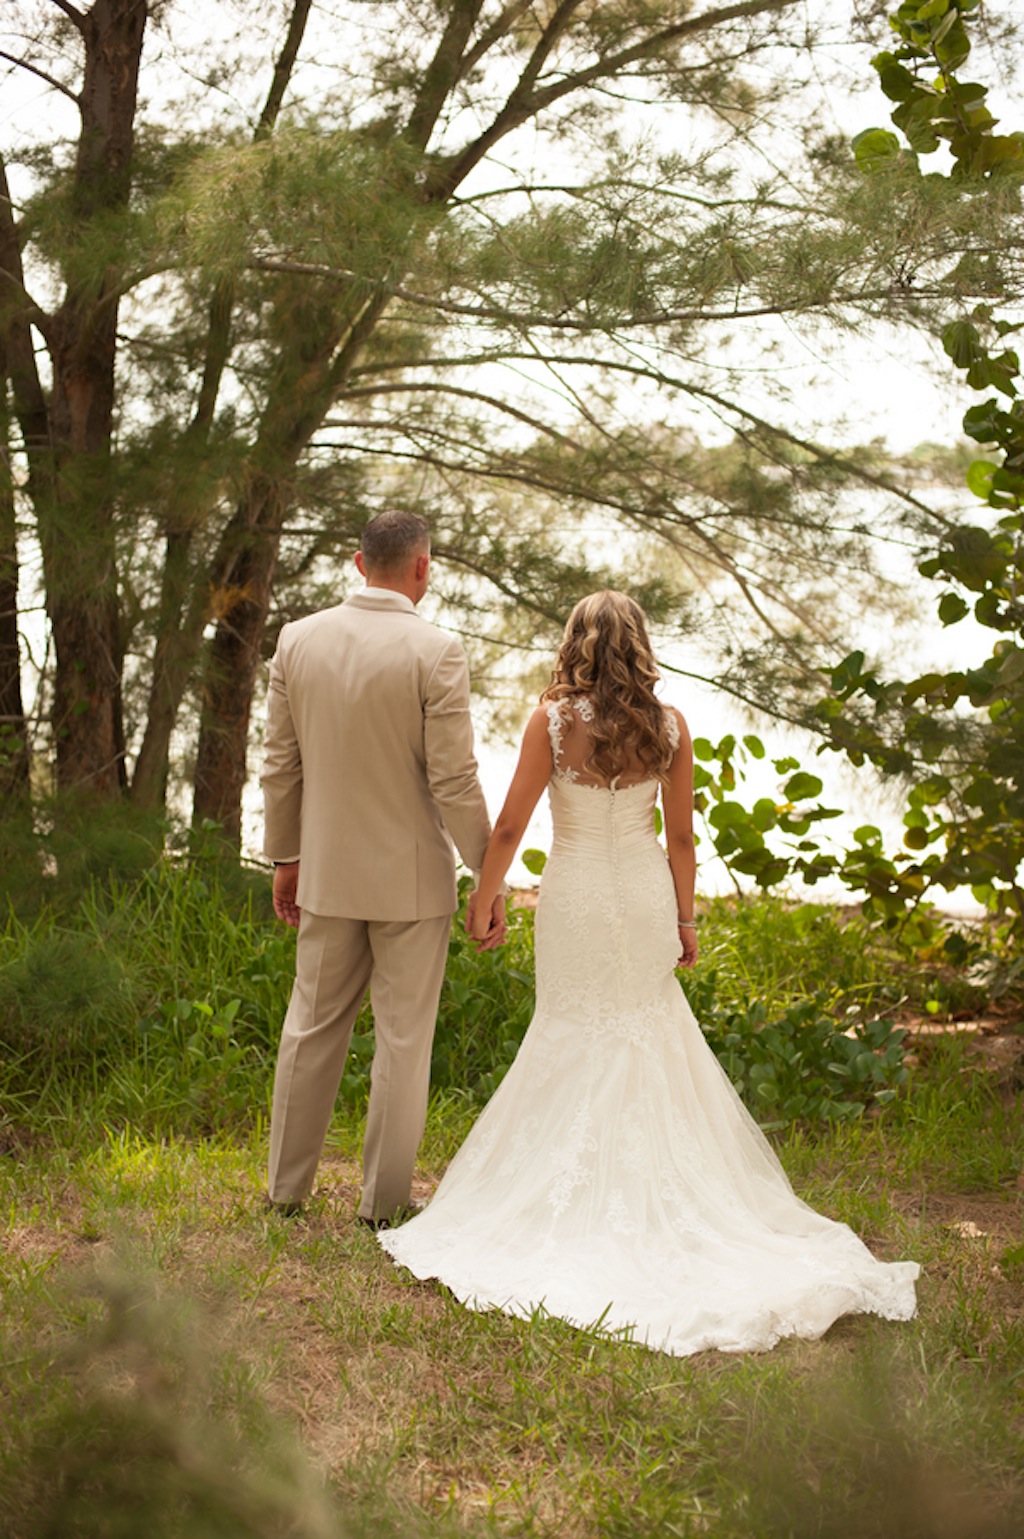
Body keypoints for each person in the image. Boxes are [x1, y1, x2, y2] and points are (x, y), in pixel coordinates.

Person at [379, 591, 919, 1356]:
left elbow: (510, 823)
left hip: (573, 900)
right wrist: (685, 919)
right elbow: (682, 841)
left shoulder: (555, 722)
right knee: (644, 1032)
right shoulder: (668, 726)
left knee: (570, 1028)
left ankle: (569, 1199)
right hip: (639, 899)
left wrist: (485, 894)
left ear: (576, 642)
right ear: (638, 645)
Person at [260, 510, 504, 1225]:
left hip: (327, 873)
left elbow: (280, 764)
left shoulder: (297, 640)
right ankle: (383, 1203)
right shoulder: (437, 650)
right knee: (402, 1041)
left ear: (360, 562)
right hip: (411, 883)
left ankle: (285, 1191)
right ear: (422, 567)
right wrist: (487, 878)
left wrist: (287, 857)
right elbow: (455, 782)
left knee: (309, 1027)